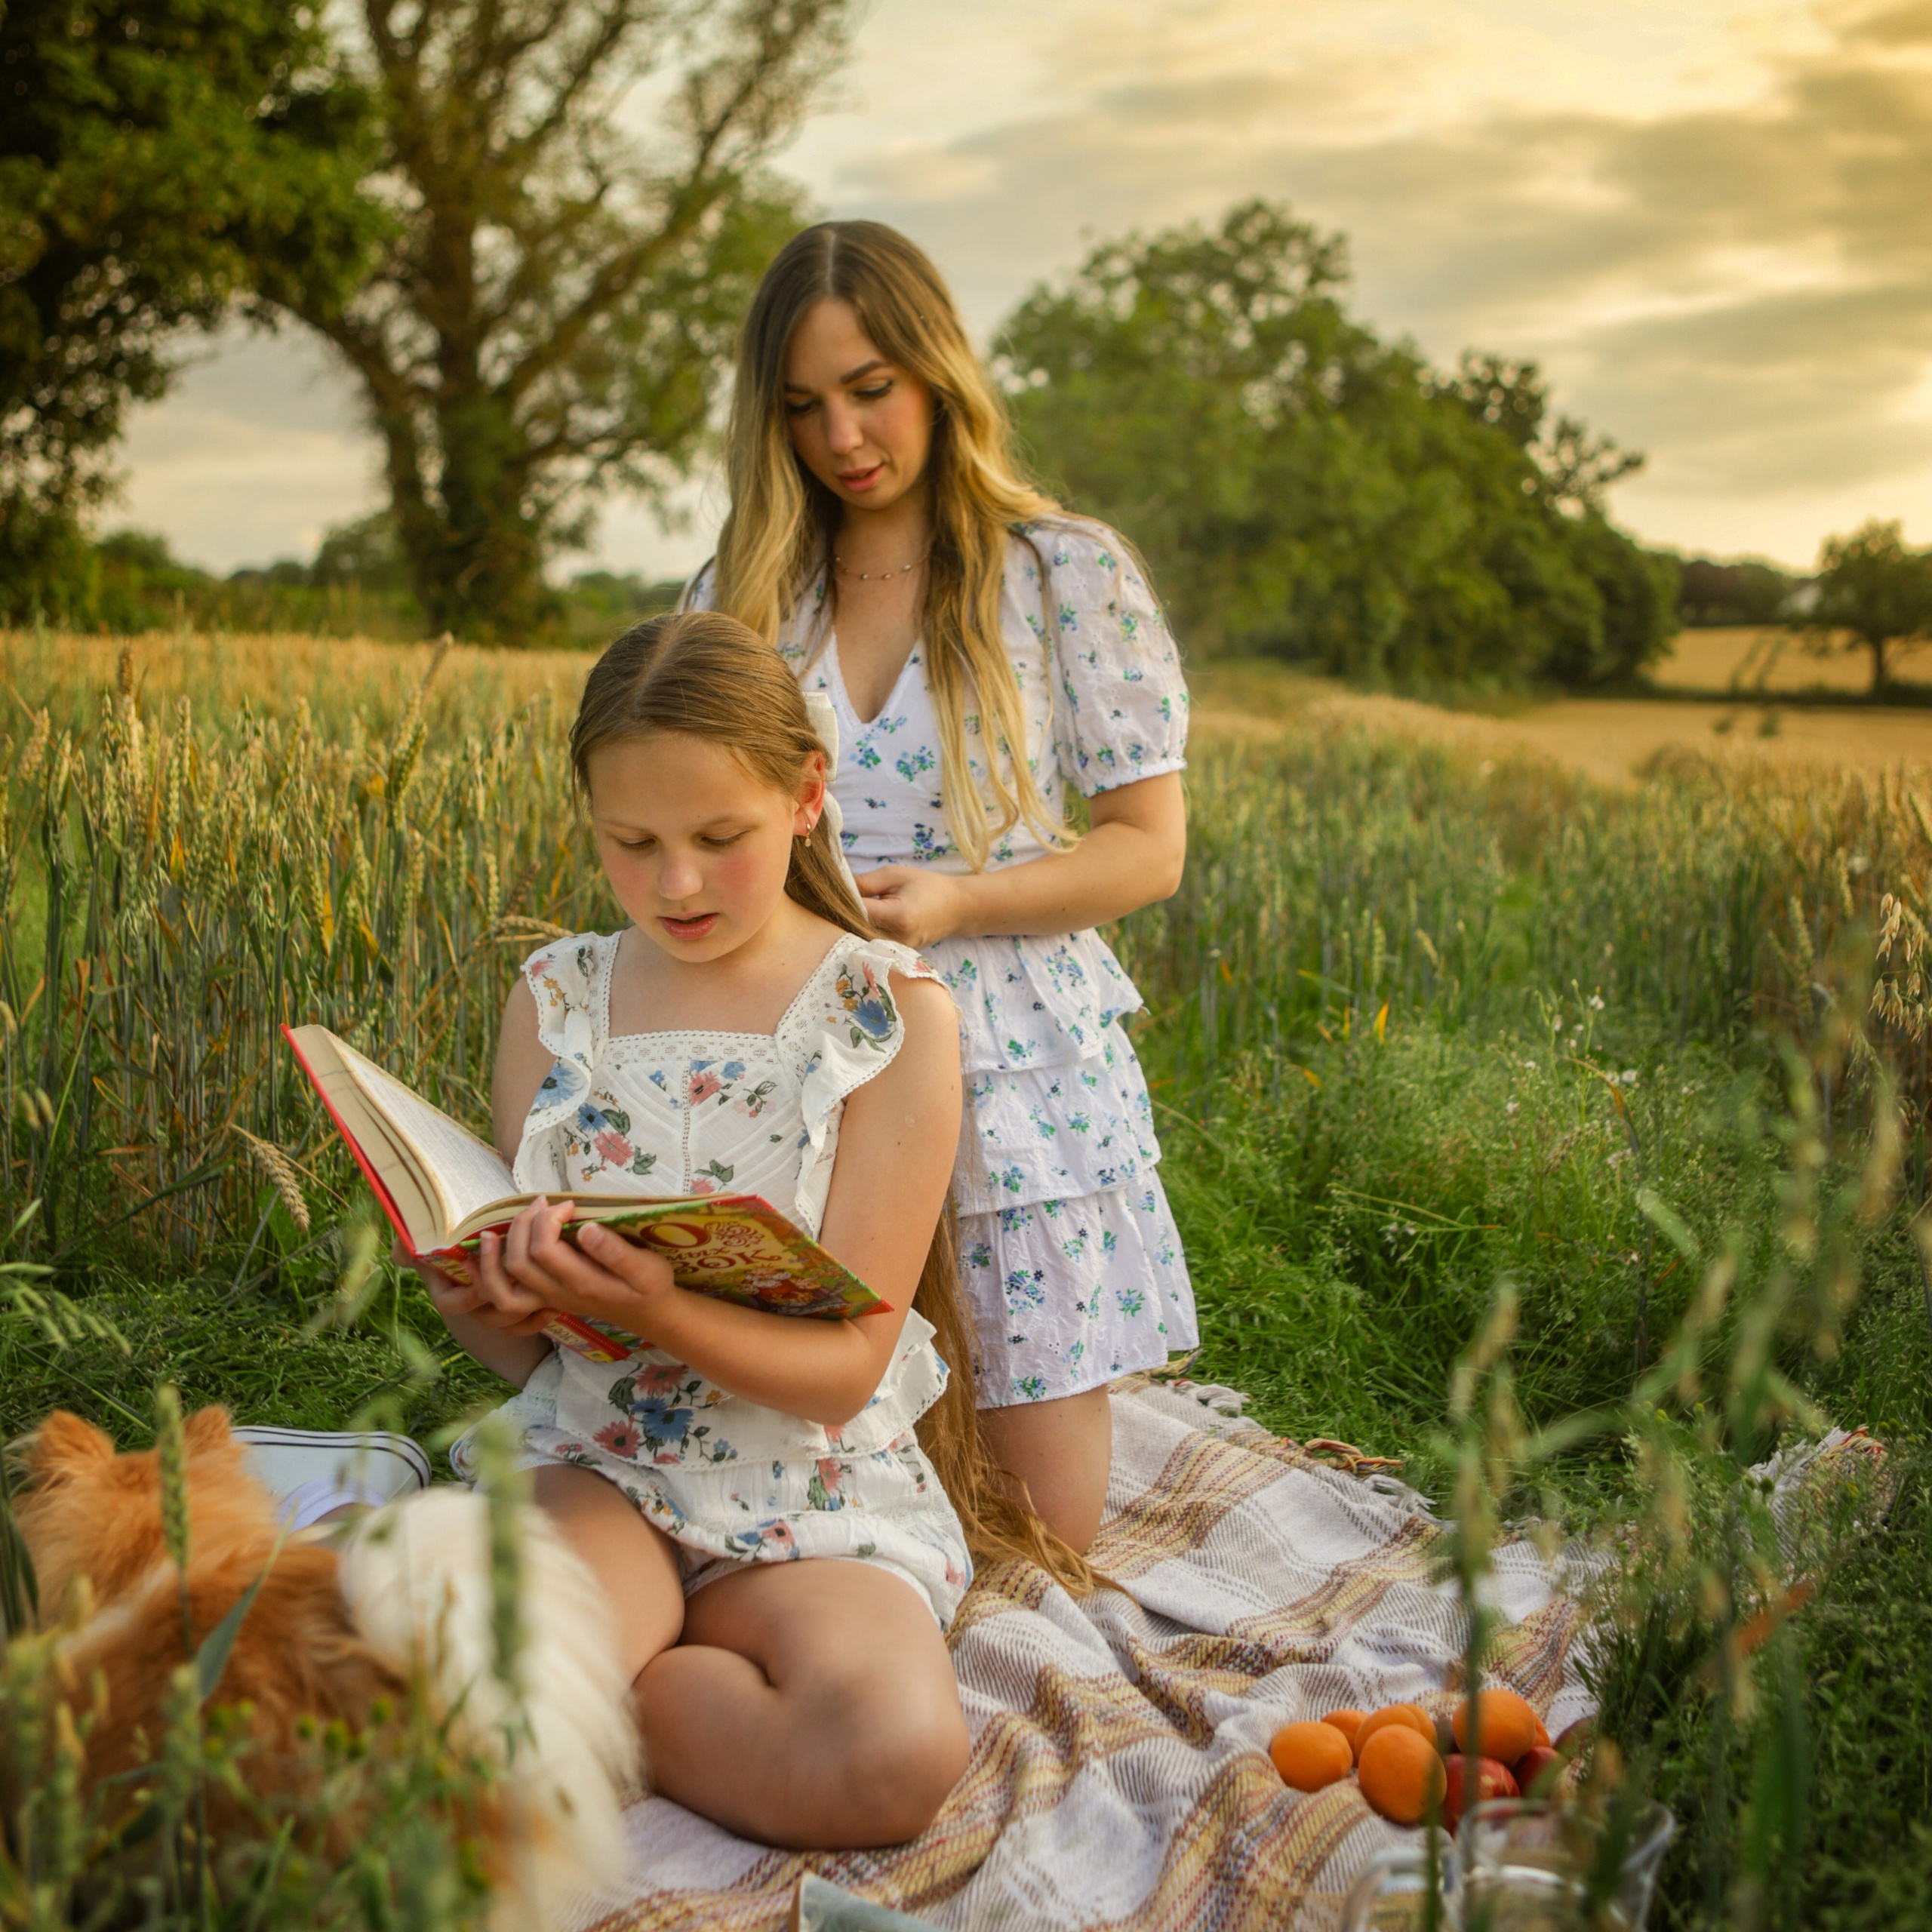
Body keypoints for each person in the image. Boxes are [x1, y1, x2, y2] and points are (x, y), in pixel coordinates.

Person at [404, 611, 1040, 1850]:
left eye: (717, 838)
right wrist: (475, 1293)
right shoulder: (558, 1002)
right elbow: (538, 1360)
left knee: (892, 1758)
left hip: (808, 1490)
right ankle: (590, 1673)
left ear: (805, 797)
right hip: (598, 1465)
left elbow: (847, 1372)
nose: (675, 885)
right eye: (631, 843)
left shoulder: (886, 1015)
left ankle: (614, 1700)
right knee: (464, 1710)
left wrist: (659, 1307)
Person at [685, 220, 1196, 1555]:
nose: (842, 436)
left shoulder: (1061, 571)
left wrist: (962, 906)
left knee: (1042, 1531)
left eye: (871, 390)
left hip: (1011, 1057)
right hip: (799, 1038)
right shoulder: (742, 592)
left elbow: (1148, 847)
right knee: (790, 1481)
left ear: (937, 371)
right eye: (802, 405)